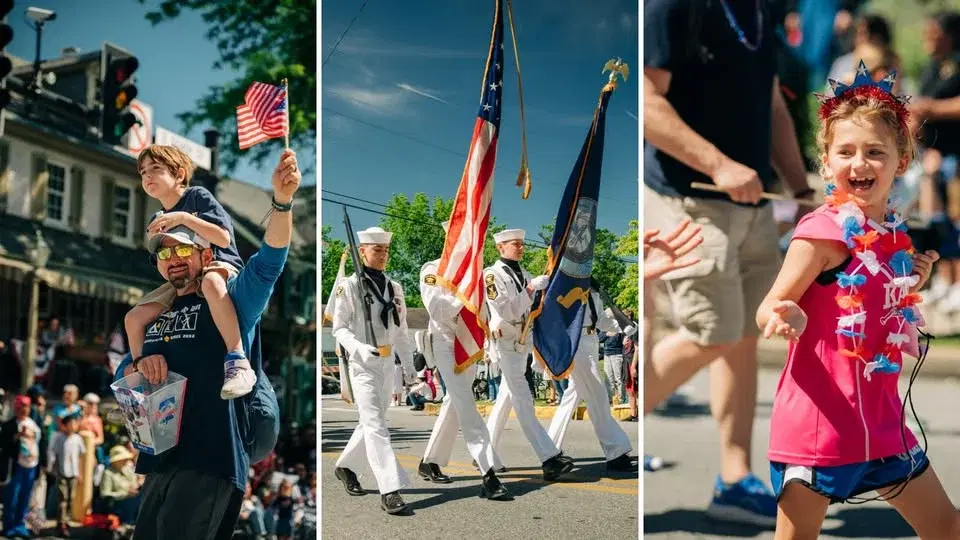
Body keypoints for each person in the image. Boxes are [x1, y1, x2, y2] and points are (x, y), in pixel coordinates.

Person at [756, 60, 960, 538]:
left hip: (884, 425)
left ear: (901, 161)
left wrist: (916, 277)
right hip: (819, 429)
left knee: (947, 527)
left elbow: (879, 300)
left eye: (874, 152)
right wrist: (781, 314)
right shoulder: (820, 234)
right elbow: (770, 303)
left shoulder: (893, 235)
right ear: (826, 162)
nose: (859, 164)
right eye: (845, 152)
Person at [643, 0, 813, 525]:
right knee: (710, 331)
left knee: (742, 335)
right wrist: (718, 163)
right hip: (689, 199)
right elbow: (647, 102)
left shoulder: (763, 11)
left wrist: (802, 190)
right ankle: (621, 421)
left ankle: (735, 479)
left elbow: (773, 107)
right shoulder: (673, 7)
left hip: (752, 204)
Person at [111, 149, 301, 539]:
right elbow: (123, 373)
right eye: (164, 252)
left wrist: (282, 203)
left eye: (183, 247)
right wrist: (137, 366)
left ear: (205, 253)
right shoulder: (154, 309)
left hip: (211, 459)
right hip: (159, 459)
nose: (173, 257)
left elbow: (270, 260)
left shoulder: (232, 298)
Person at [125, 144, 255, 400]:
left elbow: (223, 238)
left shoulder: (197, 197)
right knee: (133, 317)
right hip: (183, 280)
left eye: (156, 169)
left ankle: (237, 360)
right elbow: (160, 265)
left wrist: (185, 218)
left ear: (179, 174)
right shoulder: (158, 215)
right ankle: (142, 379)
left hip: (217, 265)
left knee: (210, 284)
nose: (147, 176)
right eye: (142, 172)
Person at [417, 220, 510, 500]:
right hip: (446, 342)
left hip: (470, 342)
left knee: (455, 403)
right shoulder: (433, 269)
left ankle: (430, 461)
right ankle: (487, 471)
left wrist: (490, 338)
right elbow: (438, 309)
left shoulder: (475, 272)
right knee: (466, 405)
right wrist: (464, 293)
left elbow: (485, 308)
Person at [331, 226, 417, 515]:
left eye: (385, 250)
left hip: (387, 362)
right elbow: (339, 328)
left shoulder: (395, 287)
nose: (382, 255)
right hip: (363, 364)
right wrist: (357, 347)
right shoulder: (350, 285)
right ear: (362, 251)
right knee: (377, 427)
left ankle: (345, 466)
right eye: (377, 250)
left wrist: (409, 367)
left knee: (372, 421)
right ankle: (389, 489)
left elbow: (401, 331)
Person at [483, 228, 574, 480]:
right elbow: (507, 310)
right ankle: (549, 457)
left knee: (506, 399)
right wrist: (531, 289)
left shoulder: (523, 273)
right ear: (501, 248)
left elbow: (532, 310)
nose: (521, 248)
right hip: (507, 343)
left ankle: (485, 456)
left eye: (522, 244)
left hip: (523, 342)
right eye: (515, 244)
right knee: (523, 399)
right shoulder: (491, 275)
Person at [546, 285, 636, 473]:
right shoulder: (566, 280)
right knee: (598, 397)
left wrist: (624, 327)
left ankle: (549, 450)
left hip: (591, 341)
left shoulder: (591, 286)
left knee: (570, 399)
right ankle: (615, 451)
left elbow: (600, 320)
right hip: (576, 343)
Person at [1, 395, 41, 538]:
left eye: (26, 407)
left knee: (25, 497)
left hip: (31, 466)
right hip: (15, 466)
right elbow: (5, 447)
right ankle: (9, 527)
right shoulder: (8, 425)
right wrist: (18, 436)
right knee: (12, 497)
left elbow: (40, 443)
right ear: (16, 409)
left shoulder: (34, 423)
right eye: (21, 407)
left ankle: (20, 525)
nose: (24, 410)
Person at [48, 410, 84, 537]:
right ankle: (62, 522)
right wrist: (54, 469)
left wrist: (79, 473)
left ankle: (66, 519)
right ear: (65, 425)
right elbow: (56, 455)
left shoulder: (78, 439)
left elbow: (79, 457)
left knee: (71, 498)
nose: (73, 426)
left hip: (73, 473)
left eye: (74, 423)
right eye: (70, 423)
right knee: (63, 498)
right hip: (62, 472)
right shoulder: (59, 438)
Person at [98, 445, 141, 524]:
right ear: (115, 461)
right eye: (123, 459)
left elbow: (135, 483)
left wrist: (135, 487)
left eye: (126, 459)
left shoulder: (128, 469)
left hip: (134, 500)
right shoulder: (108, 473)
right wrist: (125, 493)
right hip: (118, 504)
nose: (125, 461)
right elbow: (104, 494)